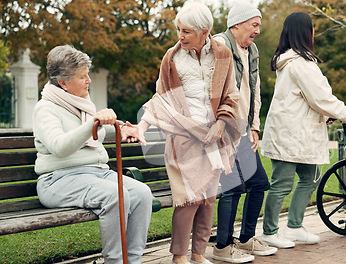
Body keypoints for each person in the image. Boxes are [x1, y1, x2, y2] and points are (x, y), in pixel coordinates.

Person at [134, 2, 241, 264]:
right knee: (188, 200)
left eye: (187, 32)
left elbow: (231, 94)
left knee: (208, 198)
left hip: (214, 137)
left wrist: (220, 123)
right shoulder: (171, 59)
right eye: (178, 30)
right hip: (184, 138)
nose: (180, 36)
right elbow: (161, 98)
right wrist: (143, 126)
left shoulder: (223, 54)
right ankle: (179, 256)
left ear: (205, 31)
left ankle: (199, 254)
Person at [33, 45, 153, 264]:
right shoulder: (46, 108)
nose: (89, 80)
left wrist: (121, 128)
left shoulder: (79, 103)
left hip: (96, 173)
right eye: (82, 77)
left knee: (142, 194)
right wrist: (93, 123)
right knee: (116, 195)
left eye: (88, 75)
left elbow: (96, 129)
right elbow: (59, 146)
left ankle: (132, 261)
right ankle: (115, 262)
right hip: (58, 180)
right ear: (63, 83)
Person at [260, 12, 346, 249]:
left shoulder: (295, 62)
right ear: (305, 32)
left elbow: (309, 99)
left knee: (310, 177)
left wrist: (327, 114)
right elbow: (321, 98)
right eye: (313, 28)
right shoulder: (299, 63)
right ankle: (269, 232)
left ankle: (295, 227)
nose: (315, 32)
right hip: (290, 134)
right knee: (282, 183)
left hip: (297, 131)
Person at [212, 2, 276, 263]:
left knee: (259, 182)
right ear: (236, 24)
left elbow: (255, 90)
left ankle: (247, 239)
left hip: (243, 128)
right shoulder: (219, 45)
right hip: (225, 128)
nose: (258, 31)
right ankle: (222, 246)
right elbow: (211, 91)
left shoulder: (252, 50)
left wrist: (254, 126)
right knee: (232, 187)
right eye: (254, 24)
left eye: (259, 25)